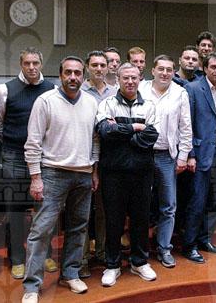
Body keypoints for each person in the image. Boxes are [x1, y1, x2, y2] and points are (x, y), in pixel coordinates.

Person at [21, 56, 99, 303]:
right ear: (60, 74)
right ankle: (32, 286)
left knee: (78, 227)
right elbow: (33, 143)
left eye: (77, 73)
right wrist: (36, 177)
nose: (73, 77)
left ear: (83, 75)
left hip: (84, 173)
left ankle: (70, 273)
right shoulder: (45, 101)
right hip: (53, 173)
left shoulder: (91, 102)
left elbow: (95, 140)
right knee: (41, 230)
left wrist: (94, 170)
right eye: (68, 72)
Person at [0, 47, 56, 280]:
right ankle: (18, 258)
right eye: (27, 63)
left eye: (35, 63)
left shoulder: (51, 89)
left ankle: (44, 254)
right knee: (16, 209)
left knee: (44, 209)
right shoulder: (5, 90)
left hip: (43, 157)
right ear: (21, 64)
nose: (31, 67)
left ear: (41, 64)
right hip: (14, 156)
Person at [98, 63, 159, 286]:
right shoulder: (107, 104)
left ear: (140, 79)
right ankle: (112, 265)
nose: (130, 82)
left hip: (142, 173)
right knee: (113, 220)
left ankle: (139, 262)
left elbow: (151, 137)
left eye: (134, 77)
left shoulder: (150, 105)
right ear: (118, 79)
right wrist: (135, 128)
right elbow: (105, 132)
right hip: (113, 173)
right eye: (126, 78)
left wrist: (121, 133)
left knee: (141, 219)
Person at [139, 55, 193, 268]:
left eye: (169, 70)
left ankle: (164, 248)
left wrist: (183, 156)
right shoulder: (141, 89)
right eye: (160, 69)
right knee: (140, 204)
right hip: (142, 154)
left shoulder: (180, 93)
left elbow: (185, 127)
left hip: (167, 156)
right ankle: (140, 250)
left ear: (173, 72)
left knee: (168, 205)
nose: (165, 73)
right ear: (152, 70)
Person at [182, 51, 216, 264]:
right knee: (197, 201)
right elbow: (187, 124)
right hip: (200, 153)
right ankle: (189, 245)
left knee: (211, 201)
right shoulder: (193, 89)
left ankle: (203, 239)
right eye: (213, 67)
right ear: (204, 68)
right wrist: (190, 154)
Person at [79, 50, 117, 277]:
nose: (99, 69)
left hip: (109, 159)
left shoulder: (115, 93)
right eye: (95, 65)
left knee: (105, 210)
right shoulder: (79, 91)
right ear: (87, 67)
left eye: (103, 65)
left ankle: (102, 252)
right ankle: (82, 258)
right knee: (82, 212)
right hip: (83, 158)